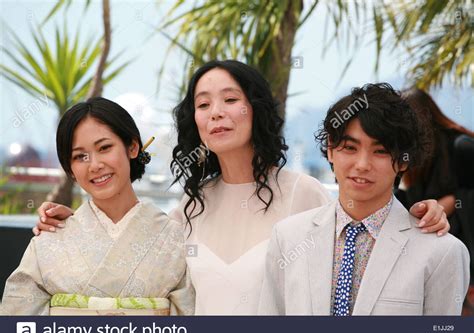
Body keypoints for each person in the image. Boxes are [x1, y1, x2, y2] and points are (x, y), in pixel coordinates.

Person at [32, 61, 449, 315]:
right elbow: (133, 262)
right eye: (203, 104)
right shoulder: (188, 209)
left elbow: (363, 235)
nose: (217, 113)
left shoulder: (302, 193)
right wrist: (71, 225)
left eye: (230, 99)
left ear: (255, 108)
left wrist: (420, 213)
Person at [258, 83, 469, 315]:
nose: (362, 165)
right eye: (349, 147)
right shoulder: (288, 238)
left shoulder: (442, 252)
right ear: (330, 149)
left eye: (380, 151)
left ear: (403, 161)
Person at [1, 97, 194, 315]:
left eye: (104, 147)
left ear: (132, 147)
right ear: (70, 169)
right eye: (80, 156)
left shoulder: (174, 237)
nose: (95, 165)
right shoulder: (49, 240)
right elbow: (16, 325)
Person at [395, 88, 474, 315]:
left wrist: (453, 200)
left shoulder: (462, 146)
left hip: (465, 251)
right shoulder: (410, 156)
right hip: (436, 254)